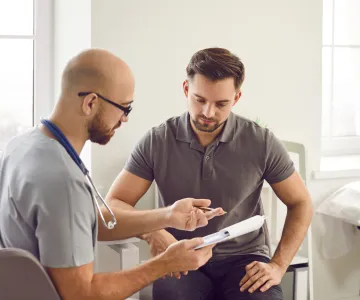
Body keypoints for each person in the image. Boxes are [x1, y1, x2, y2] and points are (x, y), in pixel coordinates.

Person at [0, 49, 224, 300]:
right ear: (91, 102)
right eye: (124, 108)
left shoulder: (20, 146)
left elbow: (84, 223)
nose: (124, 119)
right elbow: (82, 295)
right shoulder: (63, 181)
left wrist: (168, 216)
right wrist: (166, 263)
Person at [105, 47, 313, 300]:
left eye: (221, 104)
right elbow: (115, 204)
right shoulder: (157, 141)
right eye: (199, 99)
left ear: (236, 98)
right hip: (180, 255)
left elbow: (300, 202)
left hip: (244, 259)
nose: (208, 113)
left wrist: (278, 266)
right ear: (185, 89)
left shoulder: (261, 142)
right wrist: (153, 232)